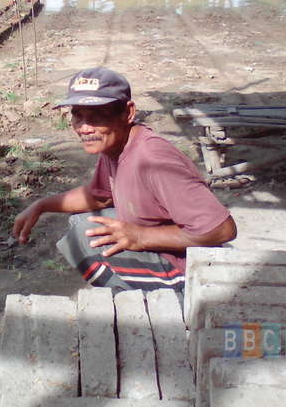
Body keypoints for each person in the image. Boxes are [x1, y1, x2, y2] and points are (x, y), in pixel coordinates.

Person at [12, 66, 237, 294]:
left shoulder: (153, 160)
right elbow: (98, 197)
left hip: (192, 275)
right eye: (78, 115)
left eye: (98, 115)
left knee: (84, 239)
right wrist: (42, 205)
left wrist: (141, 237)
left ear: (127, 113)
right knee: (82, 221)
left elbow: (222, 230)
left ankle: (161, 306)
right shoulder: (115, 146)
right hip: (168, 254)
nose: (85, 128)